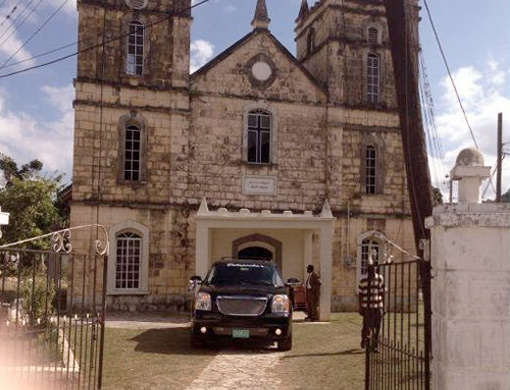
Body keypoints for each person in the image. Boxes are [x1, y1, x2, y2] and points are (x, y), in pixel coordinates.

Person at [358, 263, 385, 351]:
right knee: (367, 326)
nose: (373, 272)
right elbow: (360, 294)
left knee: (377, 327)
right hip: (367, 307)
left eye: (374, 269)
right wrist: (361, 307)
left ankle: (375, 345)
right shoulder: (363, 279)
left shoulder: (380, 278)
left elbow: (382, 292)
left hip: (378, 306)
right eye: (371, 270)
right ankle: (365, 340)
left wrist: (383, 306)